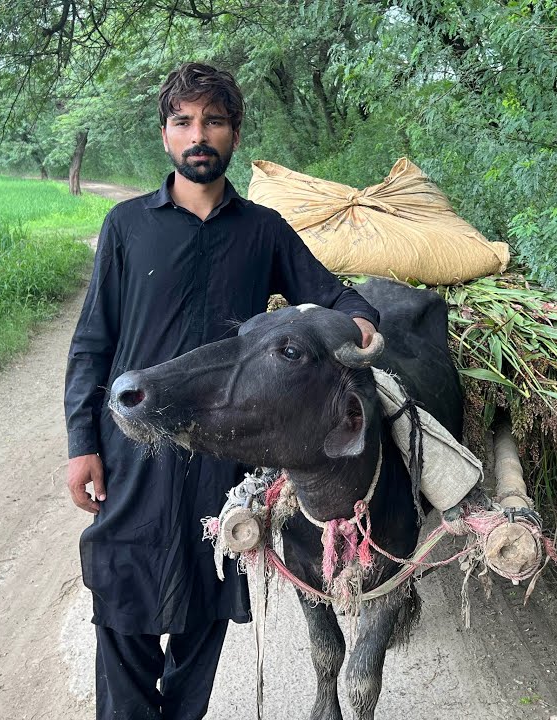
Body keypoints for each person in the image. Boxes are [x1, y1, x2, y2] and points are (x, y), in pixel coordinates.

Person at [63, 62, 379, 720]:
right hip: (135, 450)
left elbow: (336, 298)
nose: (198, 134)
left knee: (207, 600)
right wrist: (81, 443)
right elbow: (93, 342)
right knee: (123, 599)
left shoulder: (263, 231)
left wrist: (360, 325)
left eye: (213, 121)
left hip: (225, 453)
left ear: (234, 133)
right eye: (183, 122)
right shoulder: (127, 226)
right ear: (165, 134)